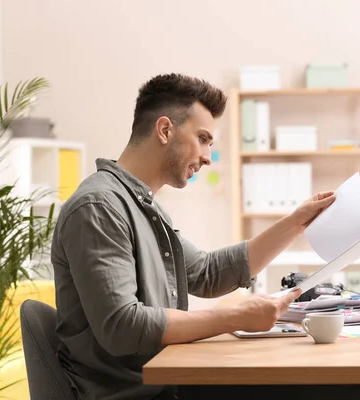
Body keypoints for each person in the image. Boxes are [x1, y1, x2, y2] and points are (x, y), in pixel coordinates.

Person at [51, 73, 336, 400]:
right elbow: (122, 326)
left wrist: (296, 223)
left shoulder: (143, 208)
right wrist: (233, 317)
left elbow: (208, 272)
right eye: (203, 139)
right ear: (164, 130)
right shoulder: (98, 208)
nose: (207, 157)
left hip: (164, 385)